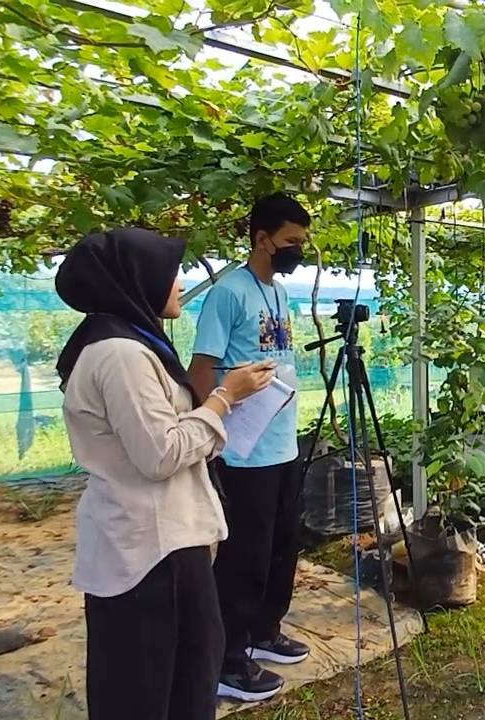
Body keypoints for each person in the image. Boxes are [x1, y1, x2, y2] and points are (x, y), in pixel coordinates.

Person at [56, 228, 275, 720]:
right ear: (136, 278)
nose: (178, 284)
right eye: (170, 273)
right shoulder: (121, 355)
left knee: (178, 675)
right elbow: (161, 453)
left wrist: (216, 409)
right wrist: (225, 398)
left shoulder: (123, 342)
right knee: (160, 688)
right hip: (153, 552)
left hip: (159, 540)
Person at [187, 192, 311, 702]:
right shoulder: (228, 293)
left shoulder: (278, 294)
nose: (299, 250)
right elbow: (201, 369)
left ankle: (264, 630)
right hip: (243, 451)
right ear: (262, 239)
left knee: (283, 545)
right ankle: (228, 658)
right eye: (291, 241)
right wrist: (211, 434)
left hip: (282, 443)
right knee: (244, 555)